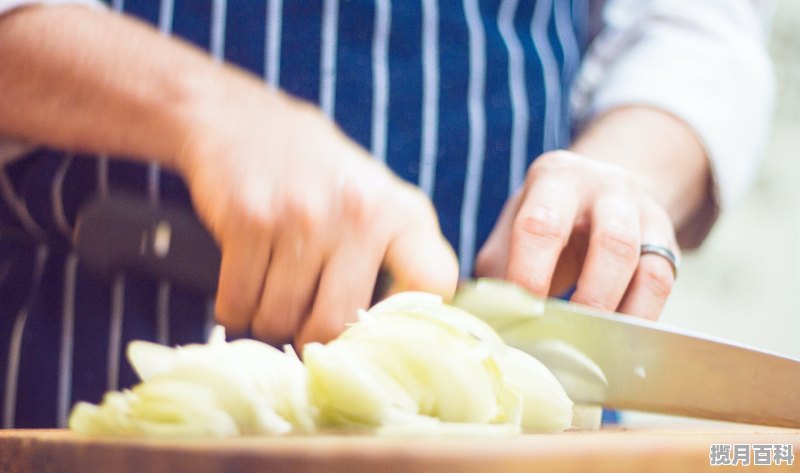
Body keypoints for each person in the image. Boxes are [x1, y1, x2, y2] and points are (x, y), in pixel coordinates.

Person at [0, 0, 774, 428]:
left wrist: (628, 174)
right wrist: (203, 111)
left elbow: (692, 30)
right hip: (73, 360)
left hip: (527, 427)